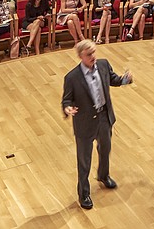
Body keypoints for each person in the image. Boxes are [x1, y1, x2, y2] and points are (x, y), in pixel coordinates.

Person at [61, 39, 133, 209]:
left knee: (105, 149)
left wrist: (124, 80)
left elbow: (113, 79)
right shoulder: (72, 77)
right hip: (85, 123)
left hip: (103, 117)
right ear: (80, 56)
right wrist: (67, 109)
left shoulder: (103, 64)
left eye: (94, 52)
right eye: (89, 54)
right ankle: (84, 194)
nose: (93, 56)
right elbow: (66, 99)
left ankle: (103, 175)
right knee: (84, 161)